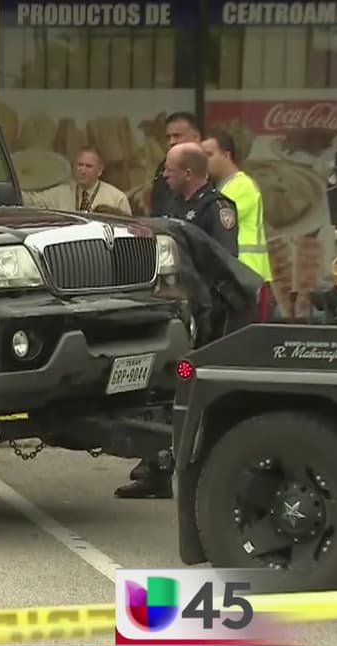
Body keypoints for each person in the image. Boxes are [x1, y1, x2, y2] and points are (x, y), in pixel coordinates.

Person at [115, 141, 240, 501]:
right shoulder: (173, 203)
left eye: (169, 169)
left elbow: (221, 264)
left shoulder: (217, 209)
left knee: (189, 390)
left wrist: (202, 314)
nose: (163, 175)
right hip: (171, 316)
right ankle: (155, 466)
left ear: (188, 173)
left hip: (202, 322)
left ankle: (191, 467)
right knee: (162, 388)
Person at [202, 129, 273, 284]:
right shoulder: (223, 187)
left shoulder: (242, 185)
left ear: (226, 155)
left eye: (209, 155)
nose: (204, 161)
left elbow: (217, 221)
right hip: (240, 274)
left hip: (249, 273)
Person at [24, 146, 131, 214]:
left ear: (100, 170)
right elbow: (31, 201)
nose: (82, 170)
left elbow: (127, 234)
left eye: (88, 166)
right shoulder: (60, 193)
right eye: (80, 165)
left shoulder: (117, 198)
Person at [147, 112, 203, 216]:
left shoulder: (208, 166)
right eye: (168, 137)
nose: (172, 141)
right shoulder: (162, 168)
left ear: (196, 137)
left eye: (177, 136)